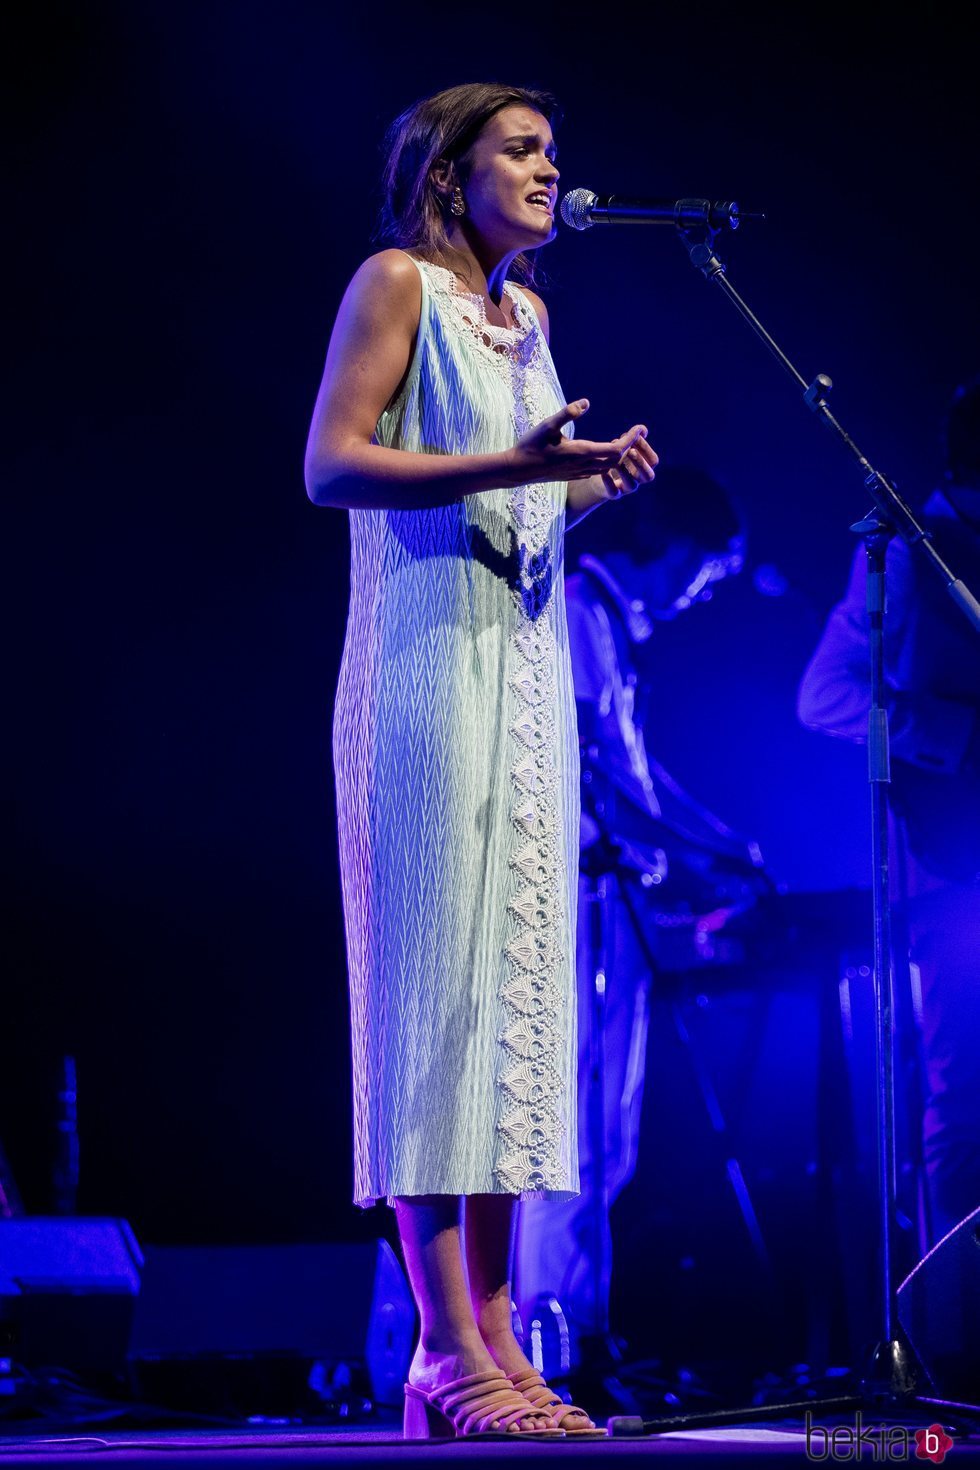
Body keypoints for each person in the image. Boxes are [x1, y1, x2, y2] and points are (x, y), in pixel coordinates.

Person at [303, 82, 659, 1439]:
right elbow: (332, 465)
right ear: (450, 171)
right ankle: (441, 1350)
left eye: (554, 148)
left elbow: (512, 487)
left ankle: (502, 1342)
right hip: (419, 685)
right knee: (429, 1007)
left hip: (523, 685)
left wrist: (578, 481)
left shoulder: (532, 319)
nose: (550, 164)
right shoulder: (393, 282)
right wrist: (497, 463)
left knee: (511, 1012)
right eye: (521, 146)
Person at [515, 466, 763, 1401]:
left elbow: (638, 777)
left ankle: (582, 1336)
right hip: (573, 898)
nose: (702, 594)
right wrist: (706, 850)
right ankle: (554, 1346)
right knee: (567, 1128)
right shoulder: (578, 609)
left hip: (610, 903)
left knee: (608, 1138)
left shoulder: (613, 628)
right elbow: (598, 778)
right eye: (705, 572)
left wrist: (716, 843)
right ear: (674, 547)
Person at [797, 377, 980, 1247]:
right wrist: (958, 735)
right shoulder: (912, 550)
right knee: (964, 1089)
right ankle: (957, 1329)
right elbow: (825, 696)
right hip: (949, 859)